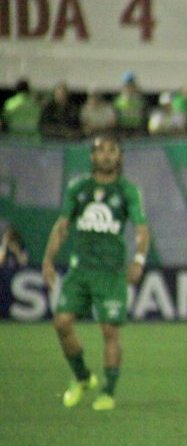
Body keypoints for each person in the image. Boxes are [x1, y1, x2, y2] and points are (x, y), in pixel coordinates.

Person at [41, 135, 150, 411]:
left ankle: (108, 392)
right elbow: (62, 225)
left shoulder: (127, 190)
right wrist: (48, 261)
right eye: (100, 150)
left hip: (111, 272)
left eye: (111, 150)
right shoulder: (78, 187)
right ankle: (82, 377)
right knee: (62, 323)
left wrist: (138, 259)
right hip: (80, 270)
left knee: (110, 330)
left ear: (119, 156)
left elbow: (141, 228)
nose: (105, 155)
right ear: (92, 156)